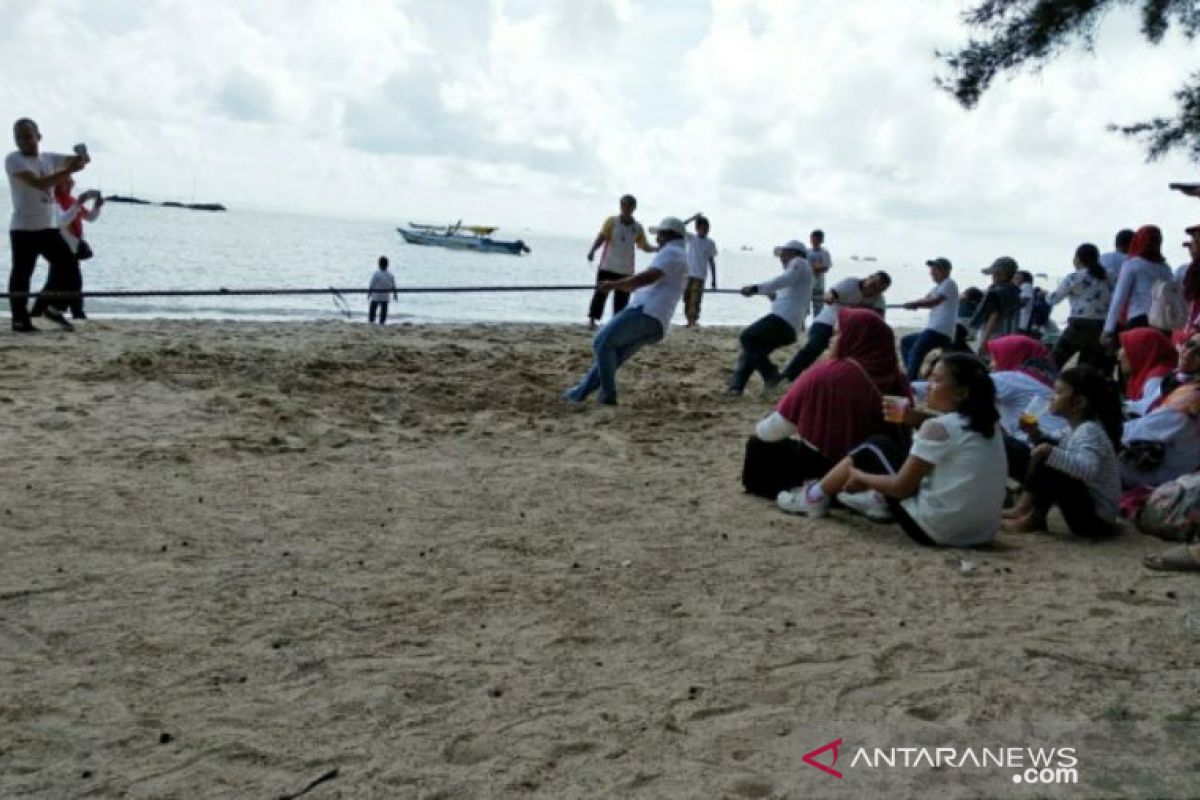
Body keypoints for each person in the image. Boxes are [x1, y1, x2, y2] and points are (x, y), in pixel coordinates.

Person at [777, 353, 1007, 549]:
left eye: (936, 380)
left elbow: (900, 488)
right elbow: (949, 430)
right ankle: (874, 499)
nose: (928, 385)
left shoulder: (938, 427)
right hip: (982, 533)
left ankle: (814, 497)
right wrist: (913, 418)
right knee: (896, 454)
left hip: (935, 530)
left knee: (872, 447)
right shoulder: (988, 423)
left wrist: (860, 477)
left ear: (961, 393)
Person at [741, 308, 910, 498]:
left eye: (837, 334)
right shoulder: (897, 377)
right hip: (885, 467)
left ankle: (813, 493)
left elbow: (771, 432)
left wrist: (764, 423)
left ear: (854, 339)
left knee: (758, 445)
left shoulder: (826, 375)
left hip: (835, 470)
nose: (830, 340)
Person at [564, 217, 688, 406]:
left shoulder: (671, 252)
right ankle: (578, 394)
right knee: (613, 355)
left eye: (660, 235)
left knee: (602, 342)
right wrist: (626, 286)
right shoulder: (680, 254)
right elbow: (651, 279)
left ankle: (607, 395)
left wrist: (614, 284)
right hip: (659, 321)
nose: (658, 240)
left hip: (646, 312)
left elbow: (648, 277)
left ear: (669, 234)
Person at [1003, 367, 1123, 538]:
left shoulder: (1090, 430)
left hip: (1097, 522)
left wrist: (1049, 451)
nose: (1052, 397)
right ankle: (1023, 509)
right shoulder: (1073, 428)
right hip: (1086, 512)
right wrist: (1035, 434)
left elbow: (1088, 470)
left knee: (1050, 454)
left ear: (1079, 402)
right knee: (1046, 448)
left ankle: (1032, 517)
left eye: (1058, 392)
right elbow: (1051, 442)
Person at [5, 118, 88, 332]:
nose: (23, 141)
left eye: (28, 136)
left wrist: (82, 156)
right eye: (18, 137)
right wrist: (69, 170)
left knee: (69, 267)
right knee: (22, 274)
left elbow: (78, 160)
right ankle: (20, 319)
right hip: (23, 229)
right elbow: (40, 184)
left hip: (47, 228)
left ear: (38, 137)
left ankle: (54, 308)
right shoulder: (14, 160)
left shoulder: (49, 158)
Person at [728, 240, 813, 395]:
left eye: (784, 254)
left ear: (794, 253)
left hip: (784, 321)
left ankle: (772, 376)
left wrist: (755, 288)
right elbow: (787, 292)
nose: (781, 258)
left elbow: (782, 281)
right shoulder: (799, 273)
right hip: (790, 325)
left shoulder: (799, 262)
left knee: (747, 337)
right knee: (751, 352)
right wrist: (772, 296)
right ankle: (736, 387)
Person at [1119, 331, 1200, 488]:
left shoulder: (1192, 397)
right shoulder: (1178, 377)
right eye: (1190, 345)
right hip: (1158, 451)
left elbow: (1146, 428)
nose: (1189, 352)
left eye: (1199, 353)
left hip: (1167, 473)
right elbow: (1148, 406)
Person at [781, 271, 891, 380]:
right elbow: (832, 293)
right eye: (873, 285)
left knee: (853, 355)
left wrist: (868, 311)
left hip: (847, 331)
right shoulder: (851, 283)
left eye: (878, 289)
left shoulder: (878, 299)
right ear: (868, 278)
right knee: (815, 346)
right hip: (826, 323)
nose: (873, 290)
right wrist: (830, 297)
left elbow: (879, 319)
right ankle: (788, 375)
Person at [29, 178, 102, 321]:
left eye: (70, 182)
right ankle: (75, 312)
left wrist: (97, 206)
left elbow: (90, 217)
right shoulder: (55, 201)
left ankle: (39, 312)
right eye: (66, 182)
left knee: (56, 282)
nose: (70, 184)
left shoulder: (70, 200)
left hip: (72, 246)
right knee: (70, 281)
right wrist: (78, 203)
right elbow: (62, 221)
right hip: (61, 246)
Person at [585, 194, 656, 330]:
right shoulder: (611, 222)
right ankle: (592, 320)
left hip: (626, 270)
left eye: (629, 205)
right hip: (607, 266)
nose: (626, 208)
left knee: (622, 300)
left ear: (634, 208)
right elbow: (602, 237)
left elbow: (644, 246)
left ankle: (616, 324)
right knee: (600, 295)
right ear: (620, 206)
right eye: (624, 205)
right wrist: (592, 250)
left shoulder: (637, 227)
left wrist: (657, 249)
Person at [1048, 243, 1112, 370]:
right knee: (1087, 367)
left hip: (1080, 324)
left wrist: (1044, 295)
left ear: (1077, 258)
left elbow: (1054, 299)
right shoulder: (1109, 275)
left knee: (1054, 362)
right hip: (1101, 326)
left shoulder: (1075, 276)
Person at [1103, 224, 1174, 339]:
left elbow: (1119, 296)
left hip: (1139, 319)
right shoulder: (1166, 268)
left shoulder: (1132, 264)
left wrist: (1108, 328)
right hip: (1163, 323)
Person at [899, 257, 959, 380]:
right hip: (936, 330)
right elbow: (926, 299)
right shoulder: (937, 287)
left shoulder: (949, 283)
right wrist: (913, 304)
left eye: (936, 269)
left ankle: (911, 379)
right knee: (906, 342)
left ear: (946, 270)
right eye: (932, 269)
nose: (932, 272)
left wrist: (916, 304)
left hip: (939, 330)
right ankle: (913, 375)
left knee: (917, 351)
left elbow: (935, 301)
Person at [970, 256, 1022, 357]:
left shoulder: (996, 293)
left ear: (1004, 275)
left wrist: (984, 342)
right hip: (1011, 338)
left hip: (996, 338)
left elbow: (994, 317)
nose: (993, 276)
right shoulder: (1014, 291)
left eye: (995, 273)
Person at [1118, 328, 1176, 412]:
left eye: (1127, 349)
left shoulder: (1156, 380)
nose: (1119, 356)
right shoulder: (1141, 374)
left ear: (1141, 353)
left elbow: (1149, 414)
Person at [682, 214, 717, 327]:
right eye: (703, 228)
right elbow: (679, 227)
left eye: (707, 229)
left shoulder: (710, 243)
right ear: (697, 228)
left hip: (700, 276)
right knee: (686, 298)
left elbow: (711, 261)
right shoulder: (691, 238)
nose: (706, 231)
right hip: (687, 274)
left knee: (695, 300)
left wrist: (714, 279)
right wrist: (692, 218)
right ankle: (689, 320)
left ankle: (693, 321)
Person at [807, 229, 832, 317]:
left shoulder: (824, 253)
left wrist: (815, 269)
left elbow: (826, 267)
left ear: (821, 240)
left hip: (818, 285)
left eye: (816, 239)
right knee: (804, 307)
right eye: (812, 239)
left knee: (818, 309)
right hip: (806, 284)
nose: (813, 241)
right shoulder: (807, 252)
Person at [367, 256, 397, 325]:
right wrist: (395, 295)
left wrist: (369, 294)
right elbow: (394, 287)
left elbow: (371, 285)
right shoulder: (390, 275)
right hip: (385, 297)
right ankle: (382, 322)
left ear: (379, 264)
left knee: (372, 310)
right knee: (384, 310)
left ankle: (371, 321)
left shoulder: (376, 274)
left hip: (376, 296)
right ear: (387, 265)